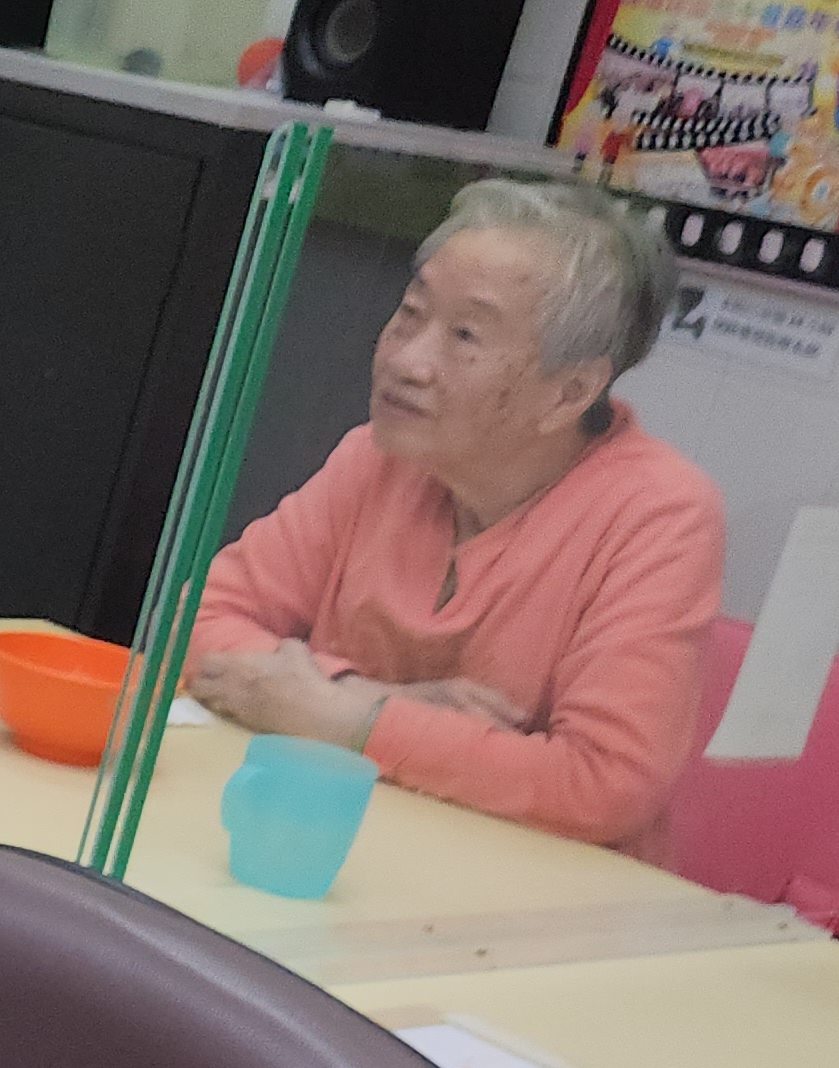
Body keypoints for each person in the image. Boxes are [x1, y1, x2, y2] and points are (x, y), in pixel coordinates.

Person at [185, 182, 723, 862]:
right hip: (337, 847)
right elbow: (195, 621)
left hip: (524, 894)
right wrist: (360, 698)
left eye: (465, 335)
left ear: (570, 392)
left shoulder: (660, 515)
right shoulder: (377, 459)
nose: (405, 361)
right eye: (410, 314)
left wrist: (354, 725)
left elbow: (604, 784)